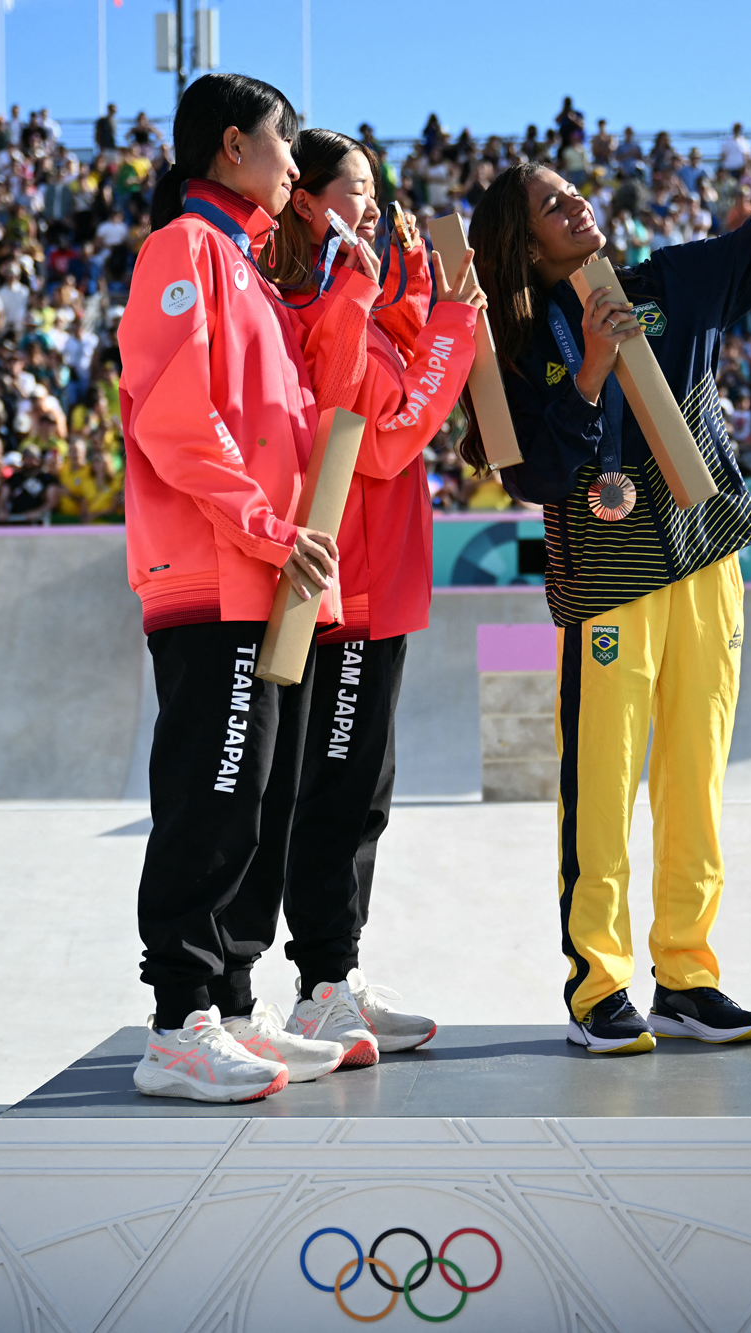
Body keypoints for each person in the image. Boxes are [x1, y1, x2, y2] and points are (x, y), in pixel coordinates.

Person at [466, 25, 751, 1055]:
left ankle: (686, 974)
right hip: (607, 585)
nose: (577, 206)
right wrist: (593, 372)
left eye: (575, 193)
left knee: (692, 778)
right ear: (523, 244)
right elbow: (527, 478)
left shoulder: (674, 282)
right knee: (598, 790)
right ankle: (598, 985)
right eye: (552, 206)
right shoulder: (514, 347)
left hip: (707, 562)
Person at [116, 72, 350, 1103]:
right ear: (228, 148)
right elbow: (172, 419)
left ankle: (234, 1007)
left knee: (259, 799)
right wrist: (264, 527)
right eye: (280, 143)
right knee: (210, 799)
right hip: (215, 573)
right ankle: (176, 1019)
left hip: (262, 574)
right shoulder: (183, 251)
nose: (294, 164)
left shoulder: (249, 269)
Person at [260, 128, 486, 1063]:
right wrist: (449, 330)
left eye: (377, 189)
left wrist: (429, 305)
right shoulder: (315, 302)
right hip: (341, 589)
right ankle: (316, 985)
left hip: (384, 583)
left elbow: (409, 397)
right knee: (333, 791)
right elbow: (384, 438)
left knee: (367, 793)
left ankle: (336, 974)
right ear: (307, 201)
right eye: (354, 189)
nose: (377, 207)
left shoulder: (376, 306)